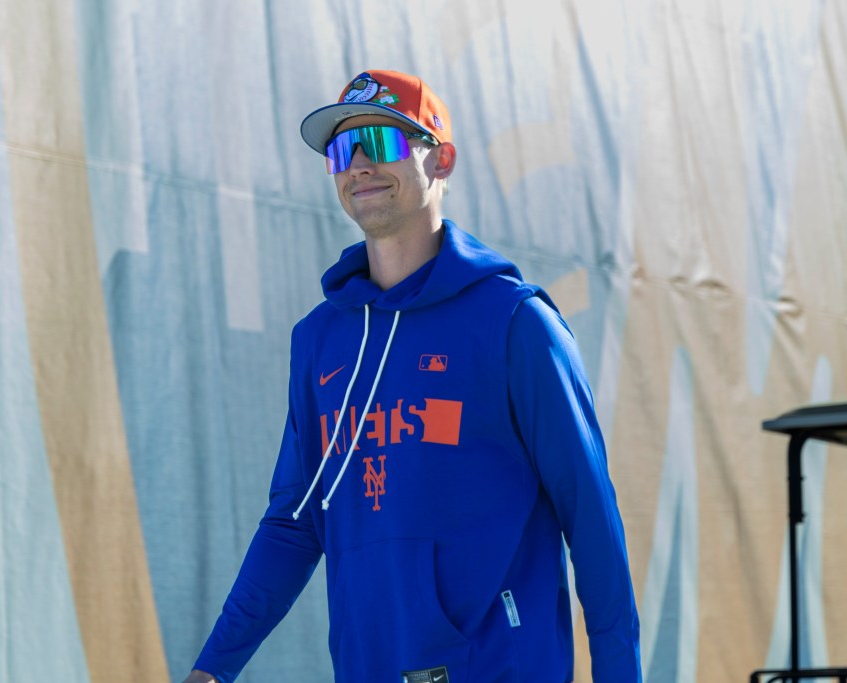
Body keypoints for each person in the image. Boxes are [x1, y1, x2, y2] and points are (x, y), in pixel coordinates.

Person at [184, 69, 641, 683]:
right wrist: (214, 669)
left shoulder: (515, 323)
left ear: (442, 160)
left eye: (384, 142)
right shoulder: (319, 340)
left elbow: (591, 520)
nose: (361, 166)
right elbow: (295, 525)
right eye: (344, 150)